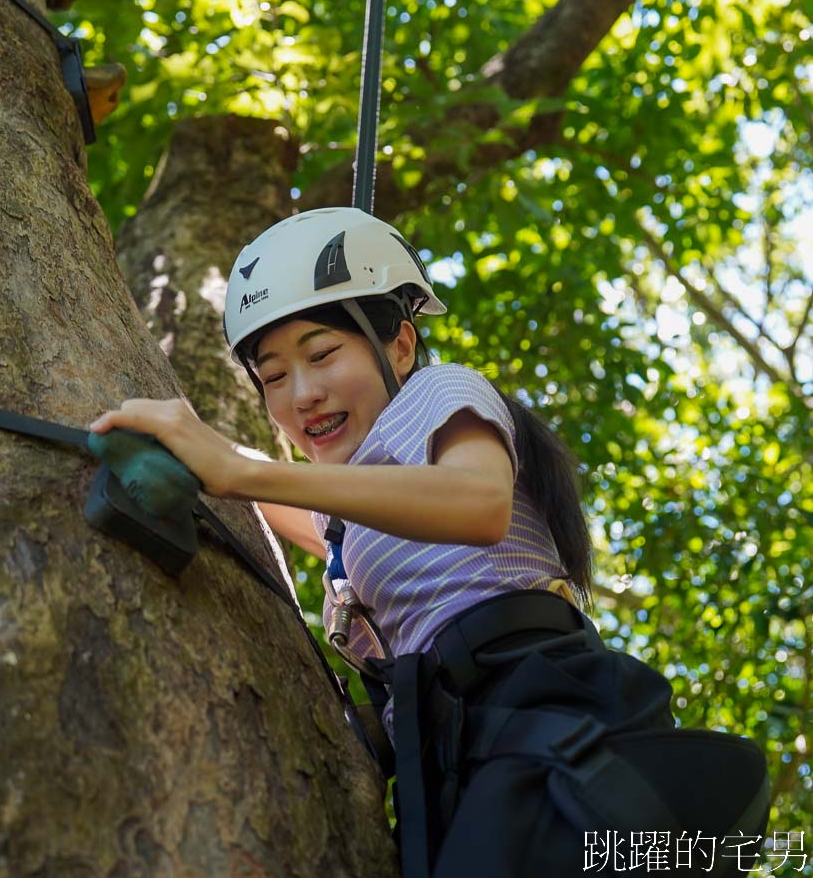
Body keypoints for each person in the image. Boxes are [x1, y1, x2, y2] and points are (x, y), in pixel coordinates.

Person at [91, 207, 769, 877]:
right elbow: (283, 504)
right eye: (272, 377)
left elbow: (479, 504)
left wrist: (238, 469)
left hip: (533, 719)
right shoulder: (360, 509)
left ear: (402, 346)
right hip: (455, 765)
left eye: (323, 353)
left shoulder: (439, 393)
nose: (302, 395)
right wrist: (195, 453)